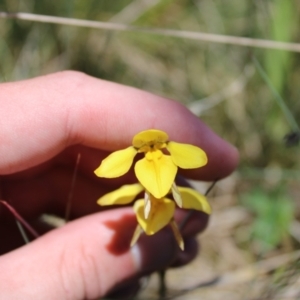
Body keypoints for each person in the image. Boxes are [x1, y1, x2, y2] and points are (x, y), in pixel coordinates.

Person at [0, 71, 238, 299]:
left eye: (156, 146)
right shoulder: (140, 162)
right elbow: (110, 176)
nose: (153, 150)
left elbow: (198, 159)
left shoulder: (167, 159)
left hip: (165, 199)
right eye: (148, 147)